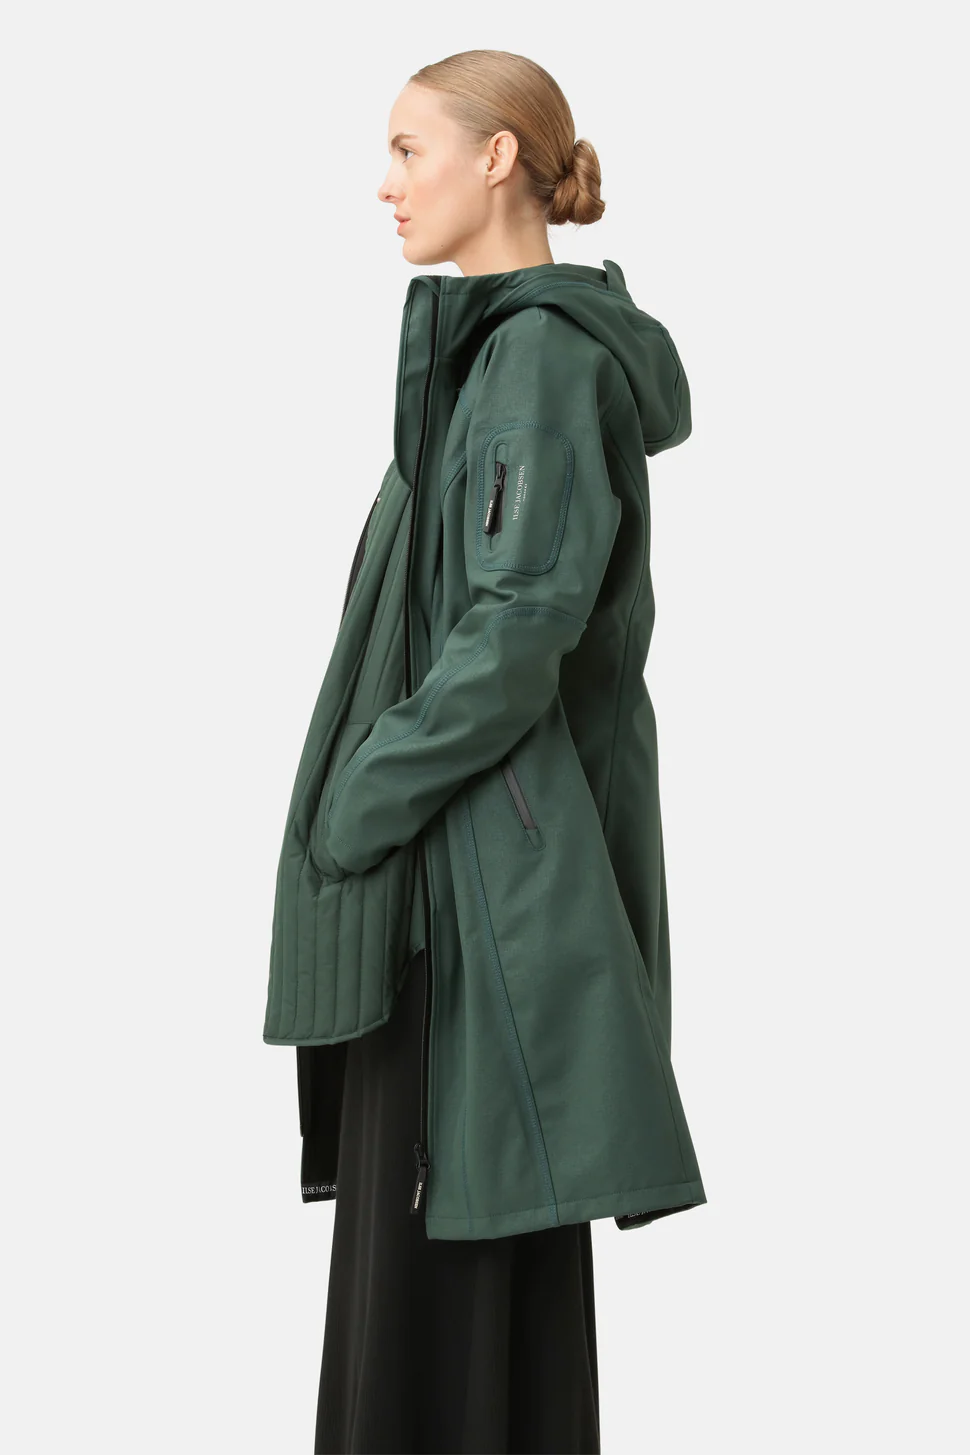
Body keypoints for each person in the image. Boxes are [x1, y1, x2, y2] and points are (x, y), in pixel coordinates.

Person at [262, 47, 708, 1455]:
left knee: (447, 1277)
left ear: (498, 157)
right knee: (470, 1254)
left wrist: (359, 799)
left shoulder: (533, 362)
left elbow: (517, 629)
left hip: (478, 890)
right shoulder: (496, 353)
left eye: (409, 149)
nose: (386, 184)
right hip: (474, 869)